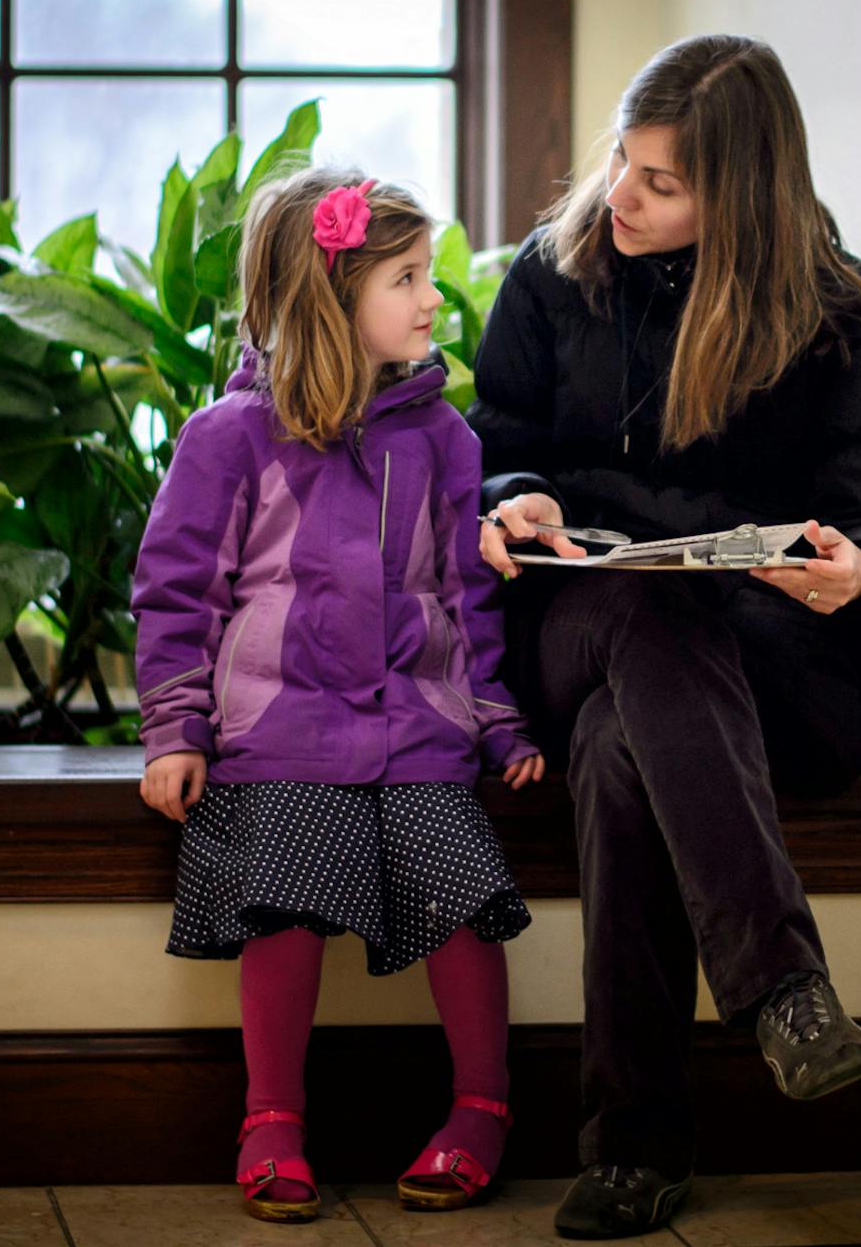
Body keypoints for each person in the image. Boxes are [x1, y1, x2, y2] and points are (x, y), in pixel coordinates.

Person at [469, 34, 861, 1239]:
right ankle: (783, 989)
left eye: (661, 182)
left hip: (773, 663)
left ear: (742, 192)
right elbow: (491, 442)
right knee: (642, 613)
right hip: (579, 618)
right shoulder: (550, 276)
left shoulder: (838, 309)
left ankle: (635, 1147)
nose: (620, 195)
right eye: (623, 161)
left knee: (631, 745)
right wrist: (508, 497)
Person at [134, 167, 546, 1223]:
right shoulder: (228, 439)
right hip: (281, 733)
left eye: (429, 276)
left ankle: (481, 1108)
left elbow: (470, 600)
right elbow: (176, 591)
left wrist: (496, 721)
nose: (432, 298)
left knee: (460, 891)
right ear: (332, 296)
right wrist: (175, 731)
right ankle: (271, 1119)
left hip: (418, 728)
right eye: (406, 277)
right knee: (287, 888)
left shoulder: (446, 440)